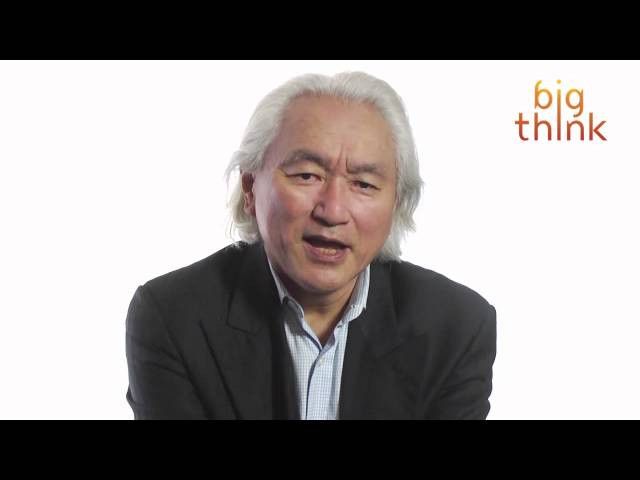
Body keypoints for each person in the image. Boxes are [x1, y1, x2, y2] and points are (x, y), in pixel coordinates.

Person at [125, 71, 497, 420]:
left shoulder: (457, 328)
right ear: (250, 189)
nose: (332, 211)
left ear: (396, 203)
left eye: (363, 184)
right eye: (307, 175)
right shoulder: (173, 317)